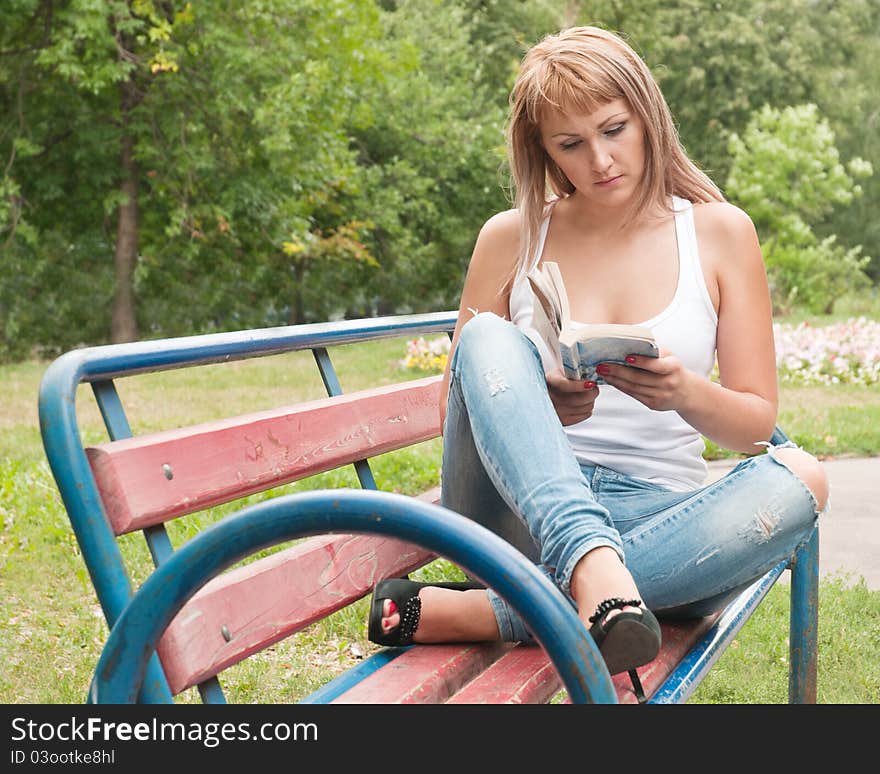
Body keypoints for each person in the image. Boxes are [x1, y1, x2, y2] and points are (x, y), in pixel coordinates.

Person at [366, 25, 827, 699]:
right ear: (541, 150)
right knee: (490, 337)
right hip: (515, 512)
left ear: (648, 116)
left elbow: (757, 431)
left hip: (659, 522)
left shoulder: (720, 232)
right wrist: (538, 400)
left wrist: (683, 393)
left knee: (803, 476)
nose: (600, 160)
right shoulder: (510, 236)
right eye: (570, 144)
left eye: (614, 129)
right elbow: (456, 407)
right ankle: (588, 562)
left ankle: (502, 609)